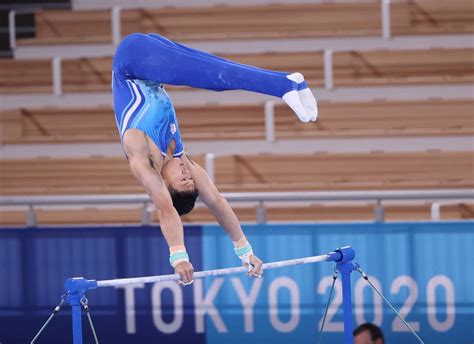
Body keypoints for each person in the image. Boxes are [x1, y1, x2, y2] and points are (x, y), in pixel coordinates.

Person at [111, 33, 318, 286]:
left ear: (164, 185)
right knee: (209, 68)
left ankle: (283, 85)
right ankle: (295, 84)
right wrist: (245, 251)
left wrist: (178, 256)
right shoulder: (181, 159)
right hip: (151, 65)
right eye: (190, 180)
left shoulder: (142, 156)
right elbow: (217, 202)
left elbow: (165, 209)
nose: (187, 174)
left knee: (215, 76)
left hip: (131, 62)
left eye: (182, 181)